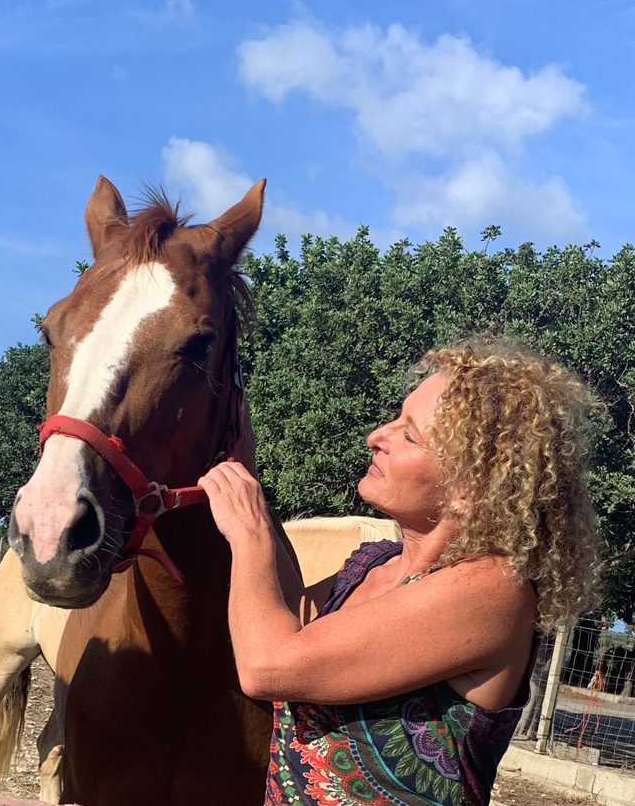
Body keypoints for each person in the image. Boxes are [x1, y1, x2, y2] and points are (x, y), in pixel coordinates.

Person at [200, 340, 600, 806]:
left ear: (469, 489)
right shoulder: (372, 564)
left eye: (409, 435)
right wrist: (246, 478)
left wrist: (249, 533)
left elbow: (266, 664)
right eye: (396, 418)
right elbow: (279, 615)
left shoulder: (492, 589)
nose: (376, 435)